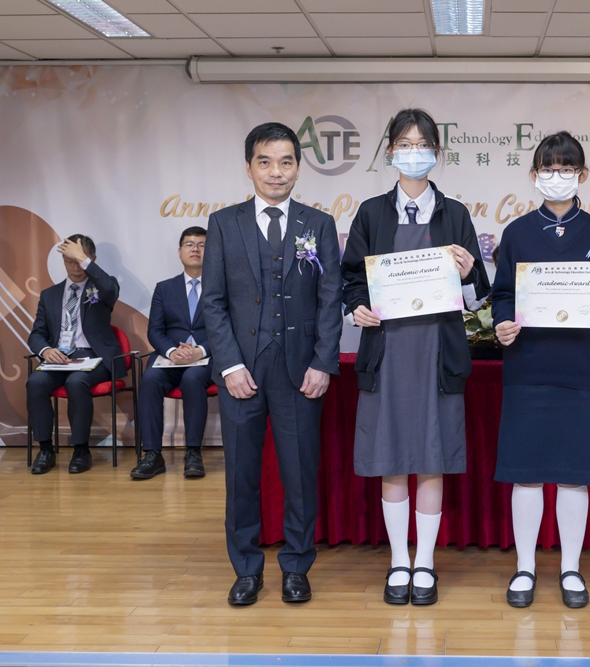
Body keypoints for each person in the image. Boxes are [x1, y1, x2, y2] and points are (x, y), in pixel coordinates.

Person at [341, 108, 490, 606]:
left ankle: (424, 561)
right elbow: (350, 278)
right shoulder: (371, 213)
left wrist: (469, 273)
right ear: (389, 153)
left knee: (431, 459)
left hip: (437, 353)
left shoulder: (456, 214)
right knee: (391, 459)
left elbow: (477, 297)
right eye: (404, 145)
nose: (413, 153)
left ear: (437, 153)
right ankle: (398, 560)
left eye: (422, 145)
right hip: (387, 353)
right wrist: (356, 306)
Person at [201, 122, 343, 606]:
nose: (276, 172)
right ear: (249, 168)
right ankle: (246, 569)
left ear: (298, 168)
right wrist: (228, 366)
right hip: (242, 370)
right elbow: (213, 302)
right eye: (265, 162)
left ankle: (297, 566)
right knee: (241, 476)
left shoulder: (318, 224)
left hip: (300, 371)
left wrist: (323, 362)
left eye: (286, 162)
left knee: (300, 475)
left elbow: (329, 299)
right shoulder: (224, 223)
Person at [491, 132, 590, 609]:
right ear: (534, 176)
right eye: (548, 169)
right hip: (528, 366)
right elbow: (503, 294)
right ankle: (525, 567)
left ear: (582, 175)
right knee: (526, 474)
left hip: (581, 368)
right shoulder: (517, 232)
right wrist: (502, 322)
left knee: (575, 474)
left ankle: (571, 567)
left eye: (566, 169)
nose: (557, 177)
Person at [26, 234, 122, 475]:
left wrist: (83, 259)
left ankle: (81, 450)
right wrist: (46, 350)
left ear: (92, 260)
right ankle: (45, 449)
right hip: (60, 358)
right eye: (70, 262)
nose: (76, 268)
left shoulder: (103, 288)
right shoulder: (49, 295)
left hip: (94, 357)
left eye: (80, 261)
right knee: (35, 382)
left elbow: (111, 288)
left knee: (76, 382)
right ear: (63, 262)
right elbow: (36, 334)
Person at [130, 226, 213, 480]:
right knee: (150, 379)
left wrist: (200, 350)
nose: (195, 249)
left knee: (193, 379)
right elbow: (155, 330)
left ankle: (193, 453)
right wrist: (171, 350)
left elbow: (229, 328)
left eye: (201, 244)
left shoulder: (221, 287)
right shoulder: (164, 288)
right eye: (189, 244)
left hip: (206, 357)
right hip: (170, 357)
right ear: (180, 252)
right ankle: (152, 454)